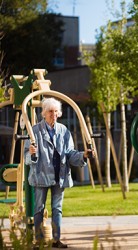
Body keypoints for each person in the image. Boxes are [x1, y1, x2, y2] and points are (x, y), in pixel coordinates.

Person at [24, 97, 94, 249]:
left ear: (59, 113)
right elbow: (26, 158)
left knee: (57, 209)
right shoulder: (34, 131)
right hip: (41, 176)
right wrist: (31, 153)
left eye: (56, 111)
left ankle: (56, 240)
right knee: (39, 209)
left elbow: (69, 154)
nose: (53, 114)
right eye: (50, 111)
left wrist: (83, 155)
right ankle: (38, 240)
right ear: (44, 113)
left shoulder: (64, 130)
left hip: (59, 177)